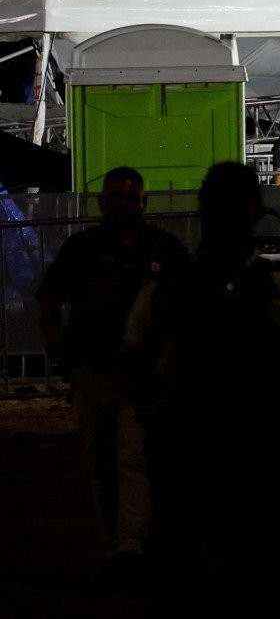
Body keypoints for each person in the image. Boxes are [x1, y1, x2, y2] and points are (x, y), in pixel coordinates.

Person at [123, 162, 280, 614]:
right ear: (255, 212)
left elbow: (134, 364)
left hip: (203, 455)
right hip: (259, 457)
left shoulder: (170, 290)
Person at [35, 167, 191, 570]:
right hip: (93, 372)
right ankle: (118, 539)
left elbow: (189, 303)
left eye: (130, 197)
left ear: (143, 203)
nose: (123, 205)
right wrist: (61, 351)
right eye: (116, 197)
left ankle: (129, 543)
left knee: (134, 457)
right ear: (103, 203)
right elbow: (49, 301)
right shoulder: (82, 248)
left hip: (143, 376)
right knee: (102, 460)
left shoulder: (162, 248)